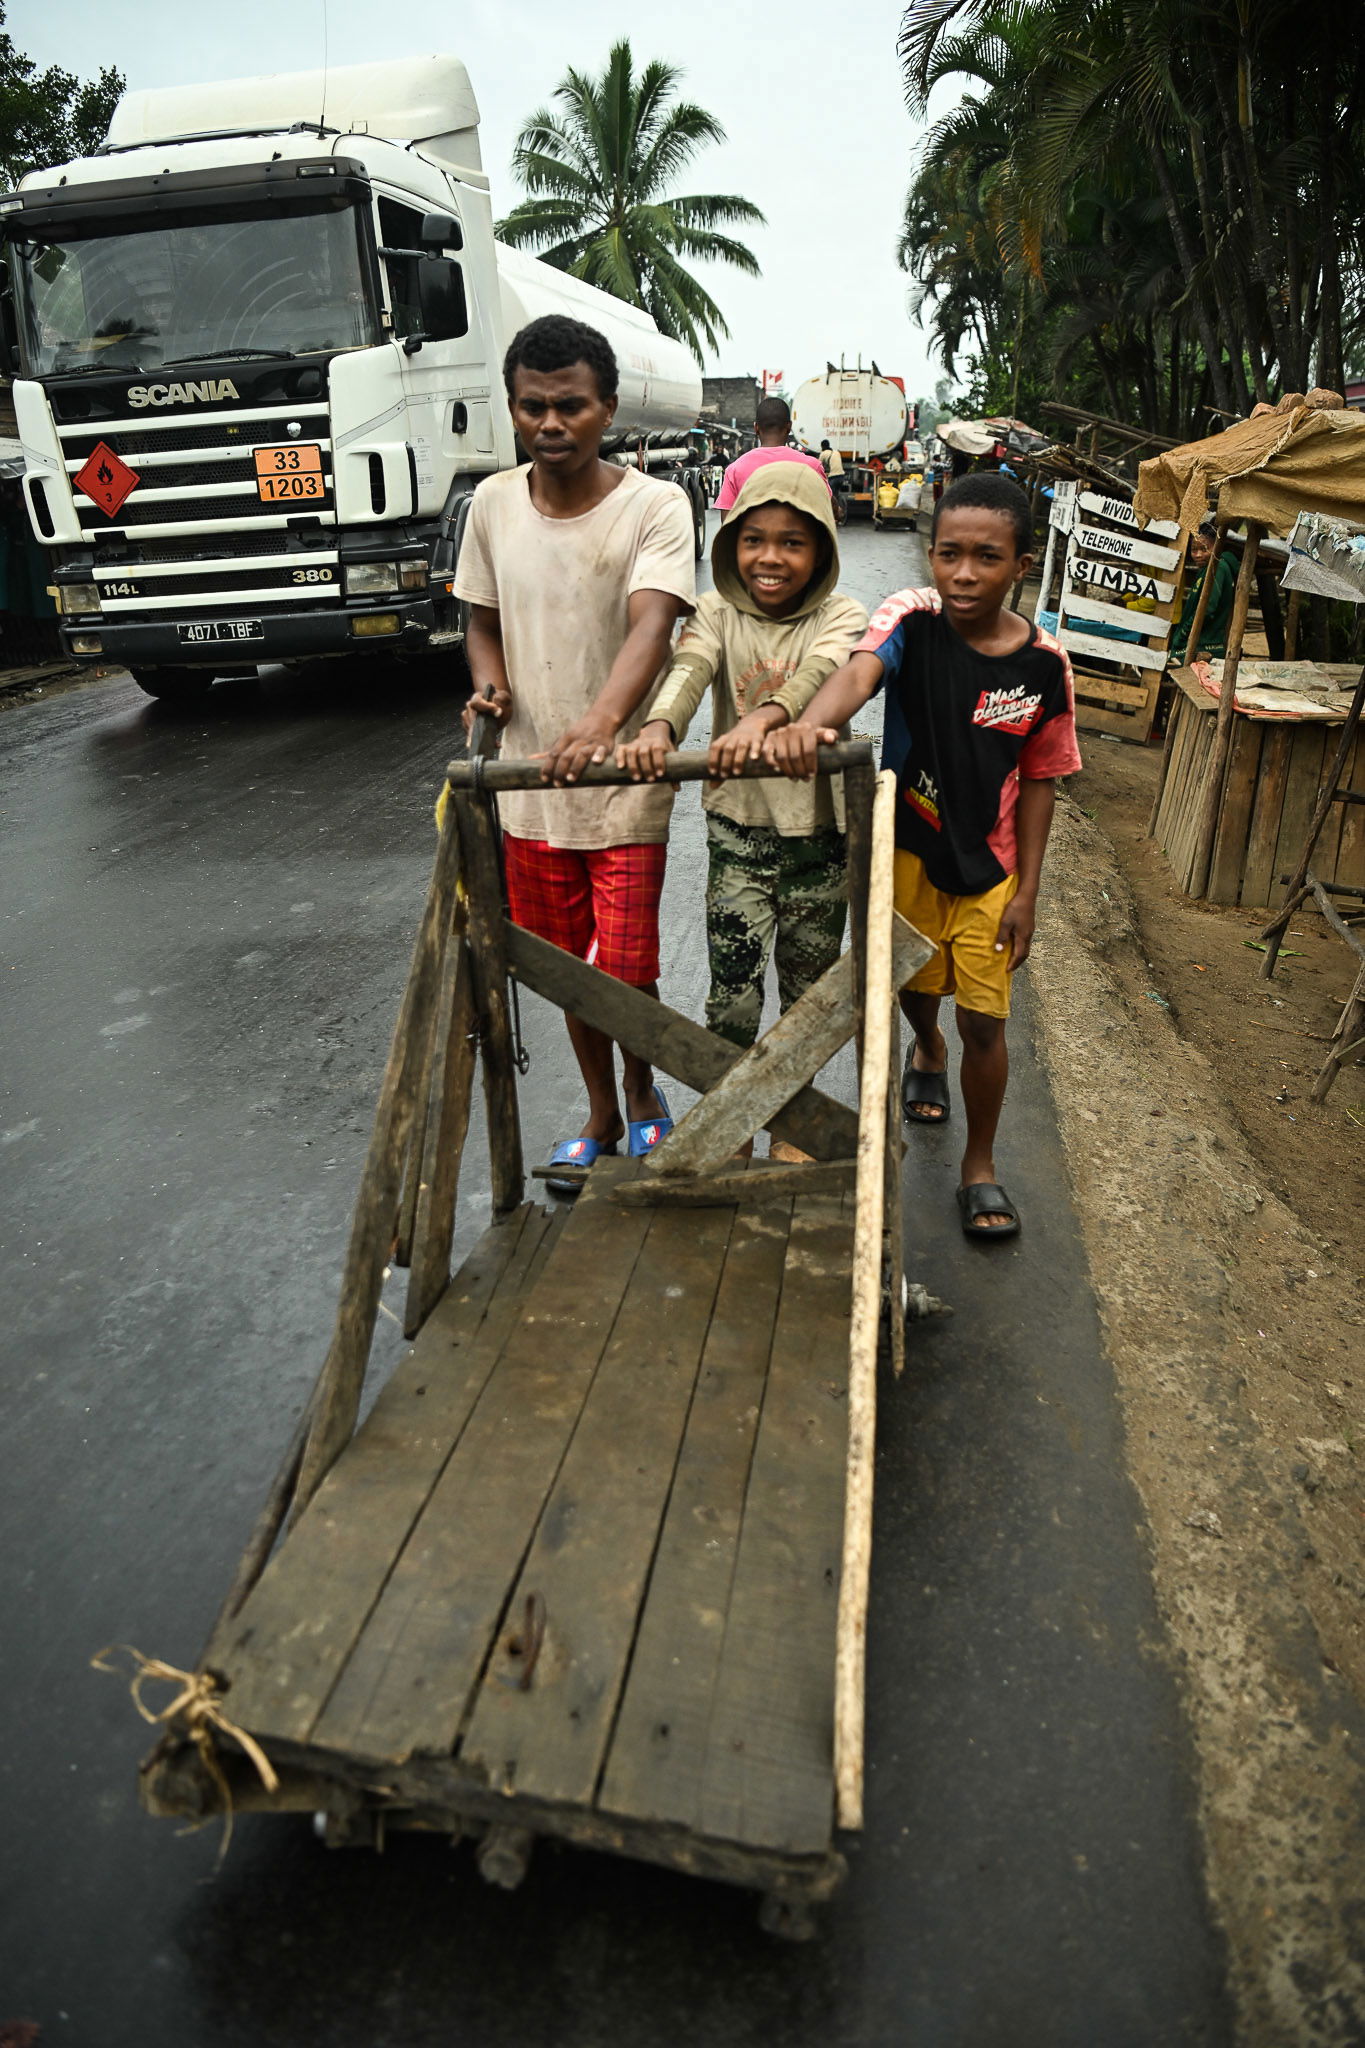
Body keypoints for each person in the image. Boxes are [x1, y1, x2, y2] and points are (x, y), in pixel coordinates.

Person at [765, 471, 1082, 1239]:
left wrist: (1028, 893)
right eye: (947, 554)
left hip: (991, 870)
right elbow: (859, 671)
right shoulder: (912, 618)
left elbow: (1041, 781)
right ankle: (924, 1047)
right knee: (916, 992)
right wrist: (813, 723)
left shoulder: (1044, 665)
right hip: (904, 853)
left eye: (985, 557)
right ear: (930, 556)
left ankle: (979, 1164)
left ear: (1020, 563)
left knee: (985, 1020)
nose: (963, 574)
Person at [454, 313, 696, 1192]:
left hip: (622, 779)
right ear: (512, 409)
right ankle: (598, 1107)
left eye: (569, 407)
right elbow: (481, 621)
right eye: (531, 408)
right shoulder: (490, 504)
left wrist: (601, 722)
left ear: (609, 410)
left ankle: (642, 1090)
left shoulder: (654, 506)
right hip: (527, 786)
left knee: (626, 967)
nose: (549, 425)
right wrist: (490, 685)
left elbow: (655, 621)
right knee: (562, 970)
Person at [617, 465, 867, 1158]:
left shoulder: (840, 615)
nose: (769, 558)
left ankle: (791, 1121)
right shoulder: (716, 613)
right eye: (753, 539)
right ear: (731, 544)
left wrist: (767, 717)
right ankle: (731, 1116)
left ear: (819, 552)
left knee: (808, 993)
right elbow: (689, 668)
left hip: (818, 835)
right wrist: (660, 728)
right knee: (730, 997)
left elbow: (822, 670)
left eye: (791, 542)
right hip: (738, 829)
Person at [714, 397, 827, 512]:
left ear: (756, 428)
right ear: (789, 427)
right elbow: (828, 512)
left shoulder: (734, 469)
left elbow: (727, 521)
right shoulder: (813, 467)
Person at [1171, 523, 1236, 659]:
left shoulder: (1217, 568)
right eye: (1194, 550)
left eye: (1204, 549)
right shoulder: (1206, 569)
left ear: (1216, 546)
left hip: (1204, 643)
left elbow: (1207, 608)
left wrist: (1182, 634)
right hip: (1203, 641)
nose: (1198, 555)